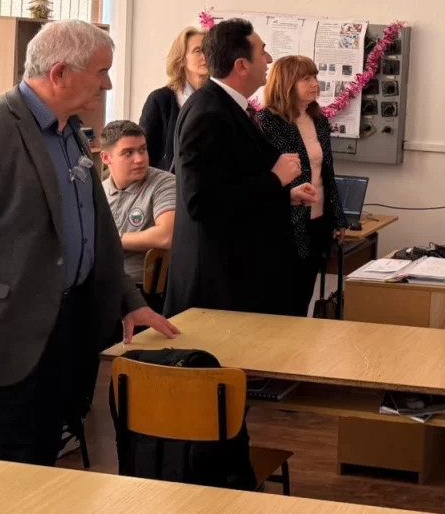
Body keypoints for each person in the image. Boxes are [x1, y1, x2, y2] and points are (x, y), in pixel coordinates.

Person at [0, 19, 178, 466]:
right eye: (101, 72)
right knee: (3, 472)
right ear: (60, 73)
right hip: (1, 344)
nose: (108, 84)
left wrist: (129, 301)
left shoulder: (71, 131)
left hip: (64, 332)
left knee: (42, 462)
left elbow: (95, 232)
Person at [164, 18, 319, 317]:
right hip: (219, 286)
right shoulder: (208, 112)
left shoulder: (229, 106)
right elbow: (201, 202)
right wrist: (275, 180)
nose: (269, 59)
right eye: (262, 52)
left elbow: (232, 180)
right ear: (241, 66)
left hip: (239, 278)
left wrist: (284, 195)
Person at [256, 56, 349, 317]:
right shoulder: (267, 121)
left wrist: (338, 217)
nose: (314, 83)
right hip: (286, 223)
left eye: (315, 77)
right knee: (284, 300)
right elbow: (267, 175)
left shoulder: (317, 120)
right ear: (287, 83)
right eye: (306, 78)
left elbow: (327, 171)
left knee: (304, 295)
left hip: (318, 221)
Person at [100, 120, 177, 290]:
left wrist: (112, 239)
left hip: (142, 289)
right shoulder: (98, 191)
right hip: (99, 284)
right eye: (128, 153)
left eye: (143, 149)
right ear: (106, 158)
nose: (140, 159)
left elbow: (166, 236)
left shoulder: (165, 183)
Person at [139, 26, 209, 172]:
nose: (206, 55)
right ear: (181, 59)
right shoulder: (160, 100)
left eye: (209, 50)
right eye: (198, 50)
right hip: (170, 183)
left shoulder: (220, 100)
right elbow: (144, 153)